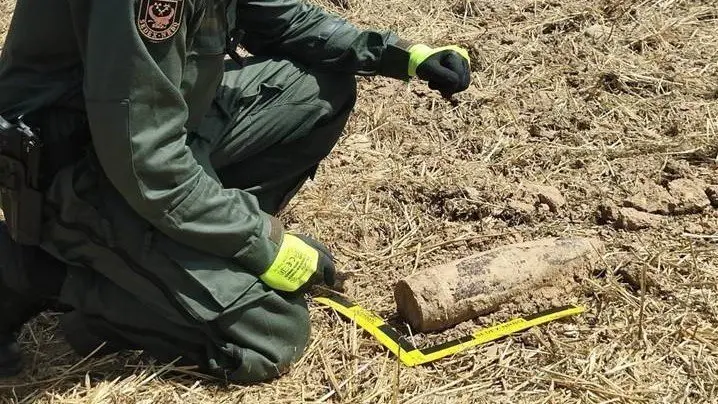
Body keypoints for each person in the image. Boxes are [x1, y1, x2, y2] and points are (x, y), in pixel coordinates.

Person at [0, 0, 470, 382]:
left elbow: (283, 19)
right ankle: (43, 270)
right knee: (271, 334)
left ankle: (190, 247)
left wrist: (403, 55)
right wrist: (263, 244)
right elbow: (146, 165)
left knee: (317, 88)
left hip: (160, 133)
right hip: (83, 176)